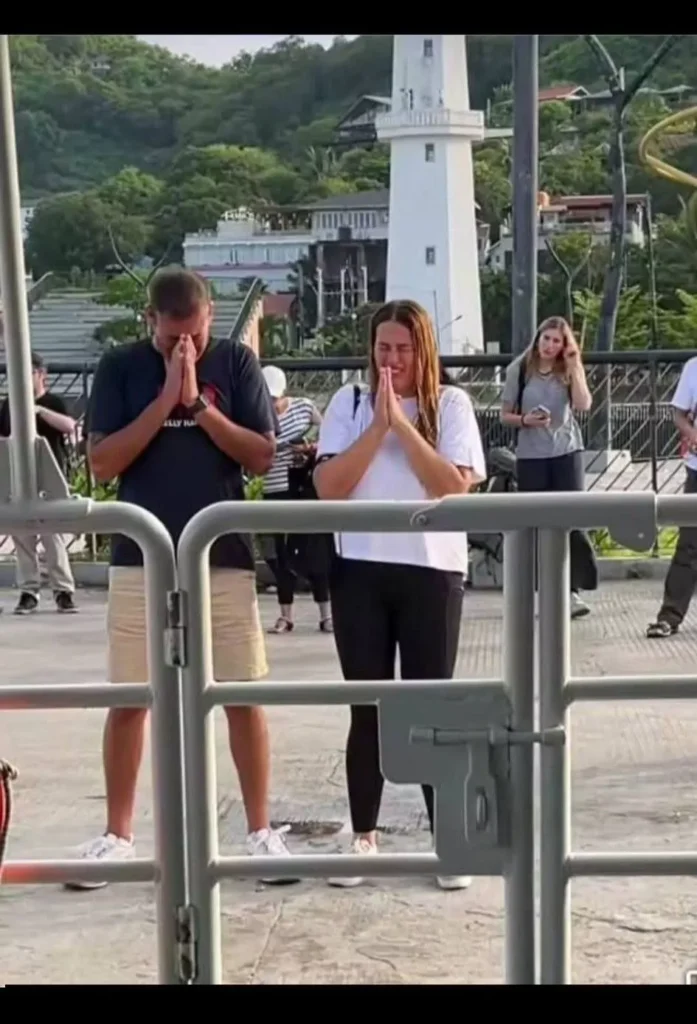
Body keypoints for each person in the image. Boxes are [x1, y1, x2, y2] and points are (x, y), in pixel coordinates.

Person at [72, 266, 298, 889]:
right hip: (140, 554)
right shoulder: (120, 366)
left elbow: (261, 455)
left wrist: (197, 403)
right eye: (173, 337)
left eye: (195, 336)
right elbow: (102, 464)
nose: (186, 347)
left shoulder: (237, 363)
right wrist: (165, 399)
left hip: (221, 553)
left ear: (210, 319)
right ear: (150, 320)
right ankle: (118, 834)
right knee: (130, 697)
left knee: (242, 693)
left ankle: (260, 831)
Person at [313, 299, 486, 891]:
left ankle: (448, 841)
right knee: (367, 707)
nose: (392, 360)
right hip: (359, 568)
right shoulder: (348, 403)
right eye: (383, 348)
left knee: (429, 706)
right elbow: (329, 487)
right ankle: (364, 835)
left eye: (404, 350)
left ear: (423, 352)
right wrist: (378, 426)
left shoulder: (452, 405)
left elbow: (451, 486)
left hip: (431, 572)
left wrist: (404, 426)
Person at [500, 316, 597, 619]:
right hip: (532, 455)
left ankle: (573, 589)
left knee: (572, 518)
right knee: (536, 521)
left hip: (566, 450)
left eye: (557, 341)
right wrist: (526, 420)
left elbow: (583, 404)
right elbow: (505, 415)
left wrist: (575, 366)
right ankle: (541, 589)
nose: (550, 346)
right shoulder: (520, 369)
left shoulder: (566, 368)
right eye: (546, 338)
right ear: (538, 338)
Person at [0, 351, 78, 614]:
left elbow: (69, 426)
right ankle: (28, 590)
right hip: (18, 476)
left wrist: (39, 410)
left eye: (27, 373)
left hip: (49, 476)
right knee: (22, 534)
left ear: (41, 374)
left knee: (52, 534)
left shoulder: (53, 401)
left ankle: (63, 589)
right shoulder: (9, 404)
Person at [260, 364, 332, 634]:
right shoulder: (257, 416)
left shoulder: (304, 407)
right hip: (276, 487)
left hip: (304, 486)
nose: (273, 404)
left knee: (317, 549)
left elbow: (327, 435)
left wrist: (311, 448)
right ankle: (285, 615)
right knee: (281, 554)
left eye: (276, 398)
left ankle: (326, 615)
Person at [646, 355, 697, 638]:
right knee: (689, 543)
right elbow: (678, 413)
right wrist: (692, 434)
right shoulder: (693, 367)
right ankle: (669, 616)